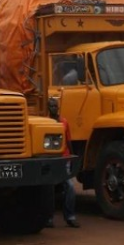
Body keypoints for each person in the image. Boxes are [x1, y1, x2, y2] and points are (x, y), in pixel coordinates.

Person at [46, 98, 80, 229]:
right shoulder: (46, 122)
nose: (53, 108)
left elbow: (68, 140)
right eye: (51, 106)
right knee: (48, 189)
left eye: (55, 106)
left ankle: (70, 217)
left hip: (64, 159)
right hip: (51, 159)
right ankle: (48, 218)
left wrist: (72, 157)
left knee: (70, 187)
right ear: (48, 108)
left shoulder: (64, 122)